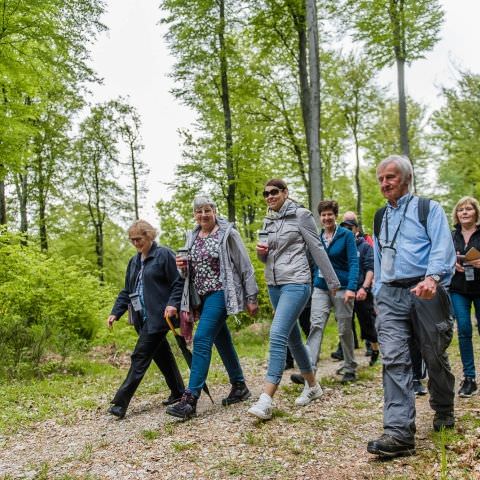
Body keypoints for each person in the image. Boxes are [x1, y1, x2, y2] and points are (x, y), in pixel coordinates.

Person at [367, 155, 456, 459]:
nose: (384, 183)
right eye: (380, 178)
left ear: (406, 178)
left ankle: (444, 408)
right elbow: (379, 259)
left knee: (433, 355)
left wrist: (433, 278)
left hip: (425, 290)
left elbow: (443, 246)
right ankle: (399, 433)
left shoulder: (428, 208)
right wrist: (379, 293)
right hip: (391, 294)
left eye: (390, 177)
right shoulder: (380, 216)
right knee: (393, 359)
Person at [248, 179, 340, 420]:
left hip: (297, 283)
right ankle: (313, 386)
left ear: (285, 192)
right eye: (265, 193)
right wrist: (261, 254)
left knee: (277, 334)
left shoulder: (302, 215)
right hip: (274, 285)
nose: (269, 196)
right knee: (293, 339)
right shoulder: (268, 219)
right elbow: (265, 258)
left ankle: (266, 399)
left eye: (274, 192)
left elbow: (318, 248)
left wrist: (332, 282)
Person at [166, 194, 259, 420]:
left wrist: (251, 296)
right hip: (201, 296)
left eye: (207, 210)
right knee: (221, 339)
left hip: (221, 293)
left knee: (202, 338)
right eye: (199, 211)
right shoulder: (192, 236)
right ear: (194, 215)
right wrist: (181, 267)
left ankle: (190, 399)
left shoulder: (228, 234)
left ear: (215, 211)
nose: (203, 214)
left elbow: (244, 266)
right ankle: (239, 386)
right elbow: (188, 272)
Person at [107, 220, 185, 419]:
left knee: (139, 357)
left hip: (159, 317)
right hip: (141, 317)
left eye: (139, 239)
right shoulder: (134, 262)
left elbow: (178, 282)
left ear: (149, 236)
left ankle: (120, 403)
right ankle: (178, 392)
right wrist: (116, 312)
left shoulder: (164, 255)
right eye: (132, 240)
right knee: (162, 356)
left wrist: (172, 304)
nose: (135, 243)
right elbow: (127, 291)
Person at [290, 200, 359, 385]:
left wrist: (352, 288)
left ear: (335, 215)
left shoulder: (345, 235)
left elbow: (353, 262)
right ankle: (309, 370)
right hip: (320, 287)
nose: (327, 218)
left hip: (343, 288)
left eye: (330, 214)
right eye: (323, 215)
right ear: (319, 218)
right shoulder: (316, 237)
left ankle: (350, 366)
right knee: (316, 326)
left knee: (344, 329)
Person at [450, 196, 480, 398]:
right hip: (458, 287)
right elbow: (441, 256)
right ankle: (469, 378)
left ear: (476, 212)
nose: (465, 212)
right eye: (461, 209)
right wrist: (452, 263)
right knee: (464, 329)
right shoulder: (451, 235)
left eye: (468, 209)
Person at [339, 218, 380, 366]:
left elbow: (370, 268)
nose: (347, 231)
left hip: (362, 292)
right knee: (345, 327)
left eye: (350, 228)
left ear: (356, 229)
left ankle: (375, 349)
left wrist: (364, 288)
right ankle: (348, 361)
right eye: (344, 228)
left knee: (367, 324)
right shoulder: (341, 247)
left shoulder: (365, 247)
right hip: (344, 292)